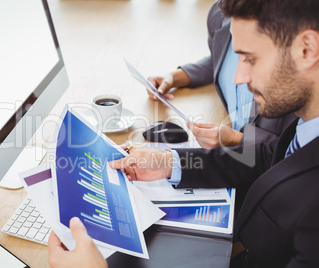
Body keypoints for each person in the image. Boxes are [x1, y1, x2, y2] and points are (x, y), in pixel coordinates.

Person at [48, 0, 319, 267]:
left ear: (307, 50)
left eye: (250, 59)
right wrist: (171, 162)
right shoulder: (306, 122)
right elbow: (272, 158)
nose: (238, 77)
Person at [147, 1, 294, 149]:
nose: (238, 78)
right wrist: (176, 77)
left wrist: (237, 139)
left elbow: (296, 152)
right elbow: (219, 59)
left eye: (250, 59)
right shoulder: (221, 14)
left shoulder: (291, 44)